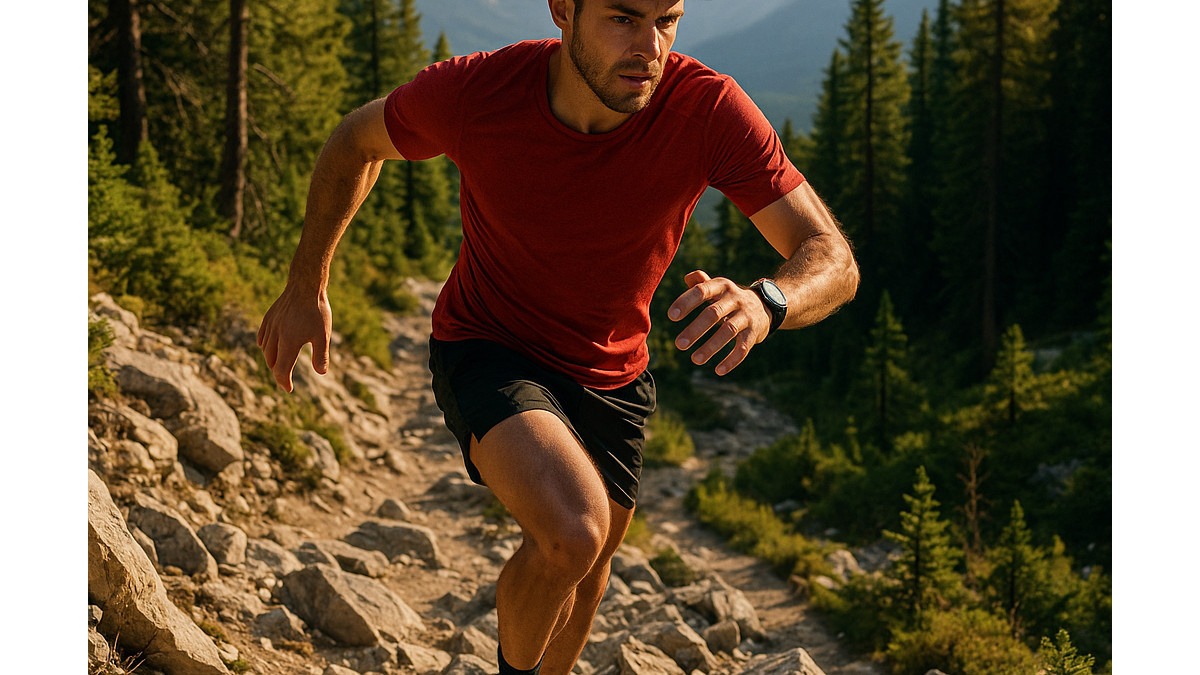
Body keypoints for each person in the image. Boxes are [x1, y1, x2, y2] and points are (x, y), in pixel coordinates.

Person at [257, 1, 859, 673]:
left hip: (614, 372)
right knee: (573, 532)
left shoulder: (706, 109)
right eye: (623, 18)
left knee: (587, 576)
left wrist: (766, 301)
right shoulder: (478, 92)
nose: (649, 47)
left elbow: (831, 256)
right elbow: (354, 142)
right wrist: (307, 281)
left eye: (667, 20)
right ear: (563, 11)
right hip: (487, 342)